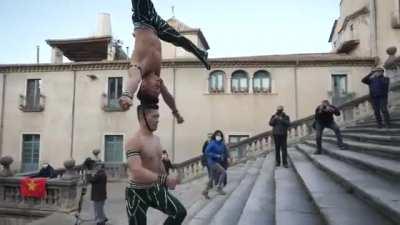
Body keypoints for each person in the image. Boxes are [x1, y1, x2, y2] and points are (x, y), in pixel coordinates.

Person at [119, 0, 211, 120]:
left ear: (144, 86)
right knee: (180, 40)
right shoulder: (157, 77)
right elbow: (167, 96)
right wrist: (176, 112)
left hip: (143, 19)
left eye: (155, 88)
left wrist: (127, 95)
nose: (158, 86)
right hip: (157, 28)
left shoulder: (137, 68)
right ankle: (201, 53)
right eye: (158, 89)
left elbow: (133, 80)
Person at [125, 104, 186, 225]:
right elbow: (137, 171)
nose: (158, 120)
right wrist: (164, 178)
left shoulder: (156, 139)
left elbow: (158, 163)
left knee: (179, 212)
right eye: (155, 116)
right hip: (136, 193)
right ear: (143, 117)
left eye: (158, 116)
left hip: (155, 188)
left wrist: (166, 181)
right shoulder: (134, 141)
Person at [202, 130, 228, 199]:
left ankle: (205, 191)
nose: (218, 136)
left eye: (220, 135)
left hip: (217, 162)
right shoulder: (212, 143)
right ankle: (219, 187)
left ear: (221, 136)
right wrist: (216, 155)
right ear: (215, 136)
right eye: (217, 135)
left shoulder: (222, 144)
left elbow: (224, 151)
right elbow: (206, 152)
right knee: (223, 172)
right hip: (212, 162)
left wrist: (225, 156)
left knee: (212, 178)